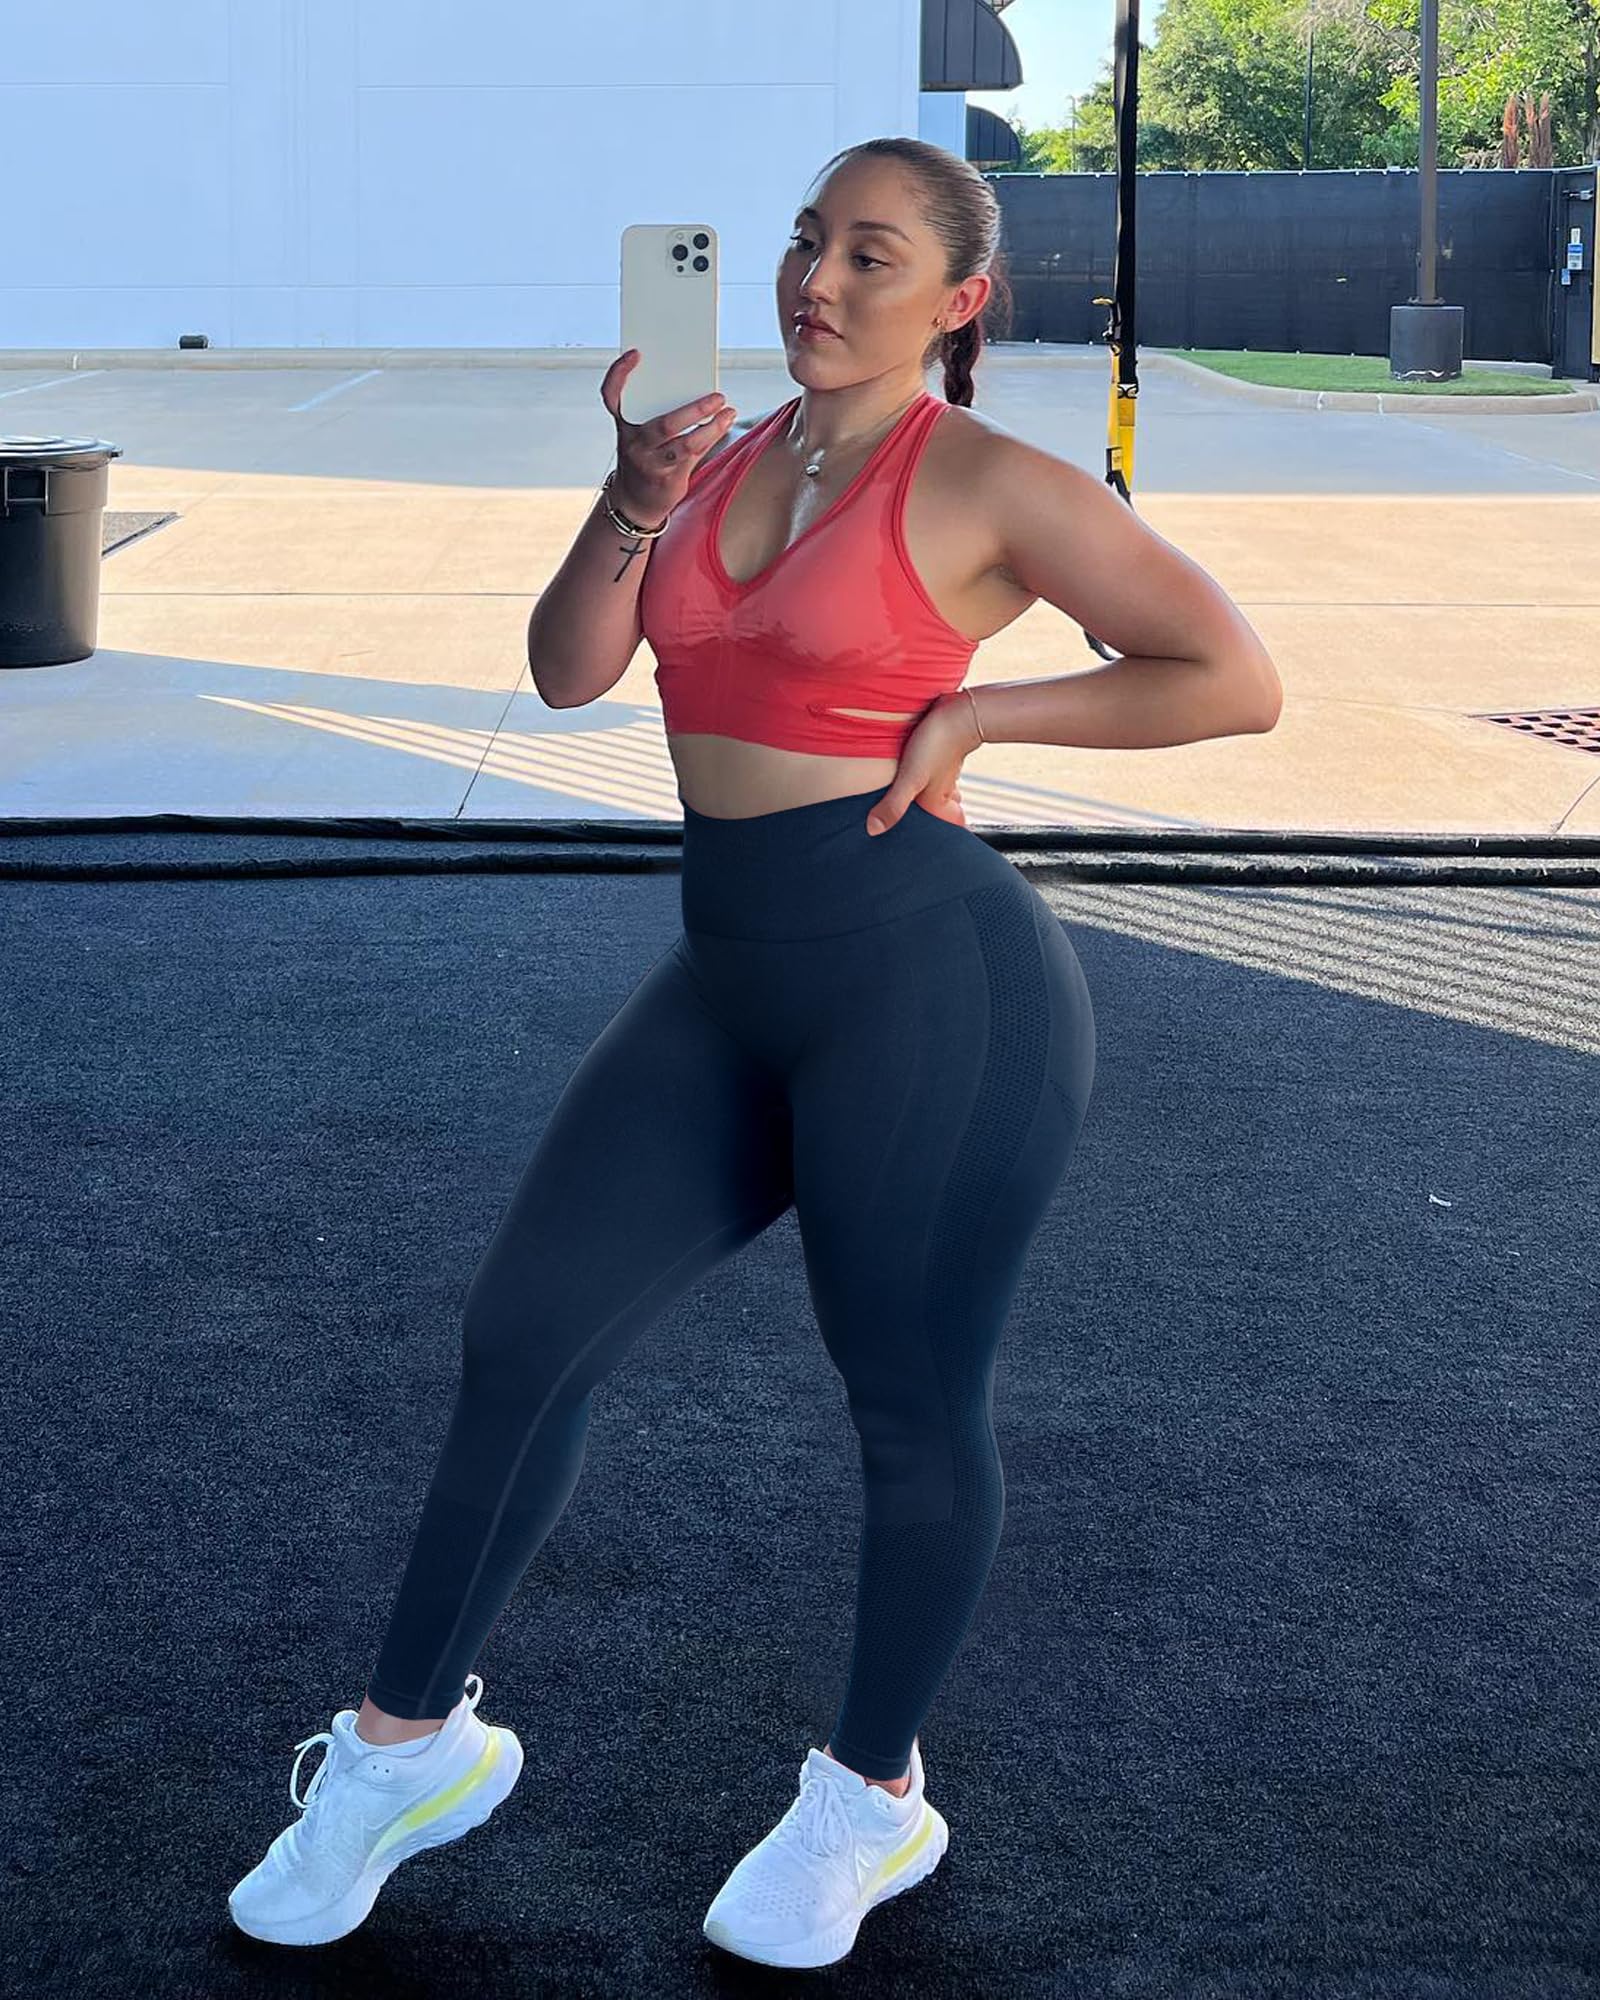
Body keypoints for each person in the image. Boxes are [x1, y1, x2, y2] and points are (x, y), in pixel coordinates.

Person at [229, 134, 1268, 1971]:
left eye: (872, 256)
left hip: (935, 988)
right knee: (522, 1337)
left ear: (958, 301)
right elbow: (569, 670)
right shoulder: (710, 455)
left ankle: (873, 1799)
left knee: (905, 1400)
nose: (817, 280)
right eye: (806, 243)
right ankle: (403, 1751)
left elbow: (1227, 675)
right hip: (727, 978)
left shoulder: (992, 483)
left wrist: (981, 712)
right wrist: (630, 496)